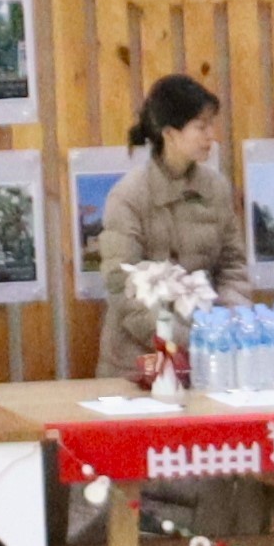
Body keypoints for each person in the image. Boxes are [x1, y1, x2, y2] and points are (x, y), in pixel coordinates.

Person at [90, 75, 244, 379]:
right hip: (137, 364)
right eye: (201, 127)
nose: (211, 136)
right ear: (170, 133)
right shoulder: (128, 195)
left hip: (207, 357)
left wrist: (228, 322)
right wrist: (180, 338)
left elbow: (232, 266)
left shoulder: (216, 188)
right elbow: (122, 286)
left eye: (211, 126)